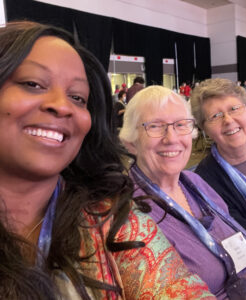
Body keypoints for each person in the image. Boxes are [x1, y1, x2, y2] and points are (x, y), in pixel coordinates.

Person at [0, 21, 215, 299]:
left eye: (77, 97)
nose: (62, 105)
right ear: (131, 140)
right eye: (33, 84)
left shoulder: (110, 217)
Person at [120, 85, 246, 300]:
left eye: (180, 125)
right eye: (155, 126)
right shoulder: (131, 216)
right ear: (130, 142)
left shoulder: (194, 182)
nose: (171, 138)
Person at [190, 78, 246, 268]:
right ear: (204, 128)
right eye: (215, 115)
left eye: (234, 109)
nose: (228, 120)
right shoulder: (206, 183)